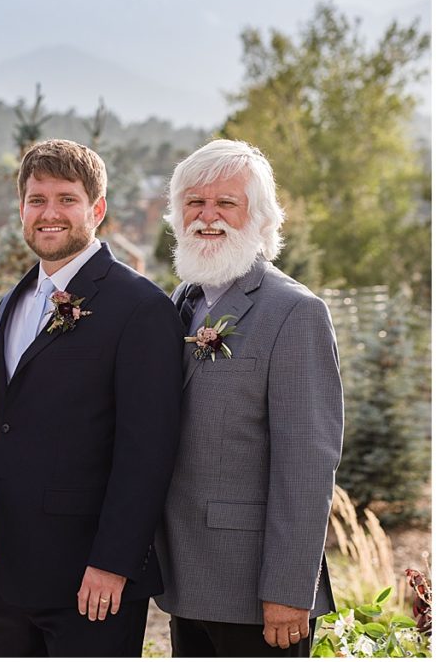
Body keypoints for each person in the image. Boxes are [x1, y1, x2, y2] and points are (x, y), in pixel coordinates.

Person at [0, 139, 183, 657]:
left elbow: (148, 451)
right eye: (36, 199)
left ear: (98, 209)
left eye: (66, 199)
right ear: (21, 209)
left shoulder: (140, 309)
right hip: (6, 574)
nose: (50, 213)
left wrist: (113, 563)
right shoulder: (12, 303)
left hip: (89, 581)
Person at [154, 138, 343, 657]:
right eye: (194, 202)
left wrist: (287, 591)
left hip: (258, 593)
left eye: (225, 203)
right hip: (186, 581)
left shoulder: (294, 312)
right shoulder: (179, 303)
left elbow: (307, 464)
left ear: (260, 219)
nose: (206, 216)